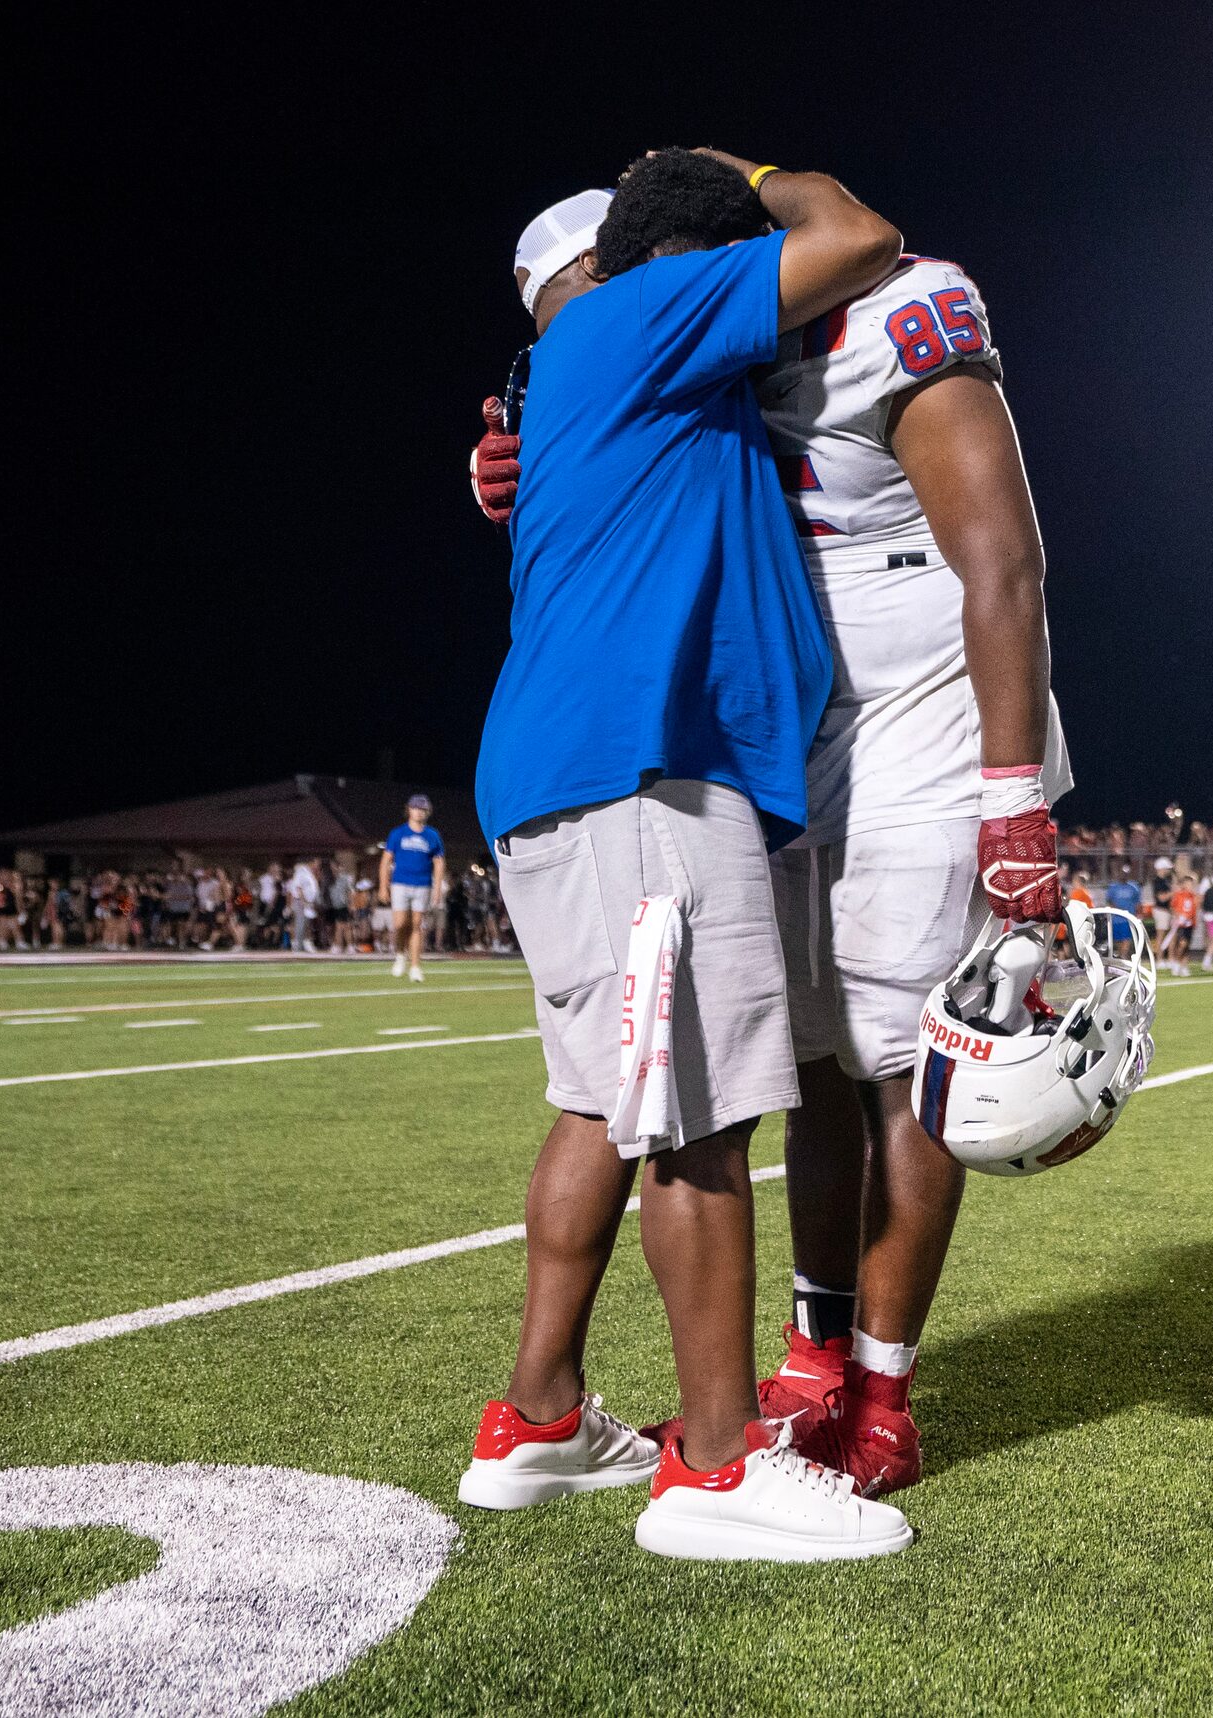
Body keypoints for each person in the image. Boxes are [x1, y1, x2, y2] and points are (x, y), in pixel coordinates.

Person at [456, 150, 910, 1562]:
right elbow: (863, 235)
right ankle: (715, 1465)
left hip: (579, 767)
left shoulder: (595, 373)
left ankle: (538, 1416)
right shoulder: (644, 314)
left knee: (607, 1098)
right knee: (696, 1110)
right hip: (644, 768)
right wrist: (755, 172)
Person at [378, 795, 449, 982]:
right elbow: (386, 860)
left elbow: (439, 862)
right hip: (400, 883)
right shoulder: (398, 833)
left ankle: (416, 966)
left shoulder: (432, 835)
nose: (418, 811)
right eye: (415, 808)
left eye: (422, 809)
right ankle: (400, 955)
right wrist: (383, 886)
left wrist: (437, 888)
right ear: (408, 810)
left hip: (422, 884)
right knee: (401, 924)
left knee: (417, 925)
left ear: (427, 812)